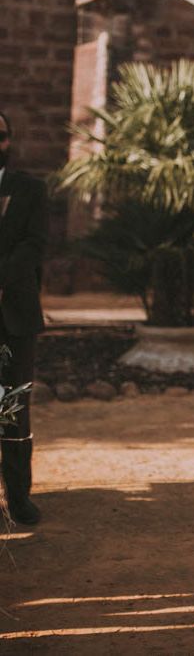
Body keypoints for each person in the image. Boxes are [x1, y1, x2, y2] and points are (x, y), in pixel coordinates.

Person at [0, 110, 48, 526]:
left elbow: (34, 246)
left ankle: (18, 499)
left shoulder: (30, 189)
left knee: (14, 403)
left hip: (14, 313)